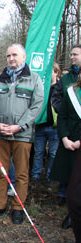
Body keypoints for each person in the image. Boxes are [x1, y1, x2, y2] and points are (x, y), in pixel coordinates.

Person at [0, 44, 44, 224]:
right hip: (1, 134)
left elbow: (36, 106)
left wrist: (19, 126)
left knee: (21, 173)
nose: (11, 58)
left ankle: (18, 207)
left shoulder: (33, 79)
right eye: (8, 55)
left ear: (24, 57)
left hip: (22, 135)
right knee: (1, 172)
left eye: (15, 55)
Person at [50, 64, 81, 230]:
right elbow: (62, 116)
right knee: (71, 186)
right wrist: (64, 138)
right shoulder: (71, 91)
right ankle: (72, 215)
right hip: (69, 142)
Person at [31, 63, 61, 185]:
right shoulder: (41, 87)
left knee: (53, 153)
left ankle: (50, 177)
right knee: (38, 152)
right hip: (40, 126)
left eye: (51, 72)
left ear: (56, 72)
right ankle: (35, 176)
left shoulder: (60, 88)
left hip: (54, 126)